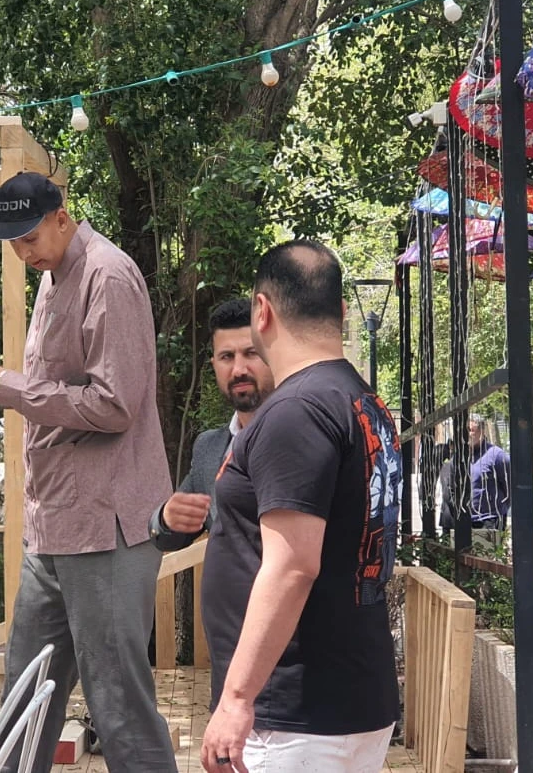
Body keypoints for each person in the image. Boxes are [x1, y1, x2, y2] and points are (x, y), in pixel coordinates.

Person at [0, 172, 178, 771]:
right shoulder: (51, 277)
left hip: (106, 528)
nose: (23, 251)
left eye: (30, 236)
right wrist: (8, 385)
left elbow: (115, 405)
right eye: (13, 242)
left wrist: (4, 385)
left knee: (118, 705)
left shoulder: (108, 275)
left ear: (62, 218)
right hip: (53, 527)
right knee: (25, 697)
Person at [200, 240, 401, 773]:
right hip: (344, 700)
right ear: (341, 311)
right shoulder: (363, 402)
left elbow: (292, 566)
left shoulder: (296, 411)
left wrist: (237, 698)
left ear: (262, 312)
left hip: (295, 715)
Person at [151, 298, 275, 549]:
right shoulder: (209, 447)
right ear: (214, 365)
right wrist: (166, 518)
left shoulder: (305, 434)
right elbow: (171, 536)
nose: (239, 369)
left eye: (251, 353)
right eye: (227, 357)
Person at [440, 416, 511, 533]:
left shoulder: (497, 455)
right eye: (464, 431)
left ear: (482, 432)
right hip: (463, 520)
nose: (466, 434)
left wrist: (498, 509)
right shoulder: (458, 457)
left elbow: (509, 487)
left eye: (470, 430)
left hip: (489, 520)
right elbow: (451, 487)